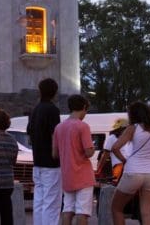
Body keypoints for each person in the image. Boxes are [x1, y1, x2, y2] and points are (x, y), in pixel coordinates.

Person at [110, 101, 150, 225]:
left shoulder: (133, 128)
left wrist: (124, 160)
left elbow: (115, 148)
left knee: (116, 208)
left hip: (133, 172)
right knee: (147, 213)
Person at [53, 95, 96, 225]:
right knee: (82, 212)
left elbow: (55, 154)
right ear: (84, 107)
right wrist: (93, 148)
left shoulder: (59, 127)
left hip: (67, 175)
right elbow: (89, 152)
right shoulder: (83, 126)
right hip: (83, 175)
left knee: (67, 209)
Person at [27, 78, 62, 225]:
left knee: (39, 201)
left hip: (37, 162)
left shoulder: (35, 109)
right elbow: (55, 134)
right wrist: (56, 153)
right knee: (51, 203)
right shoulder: (52, 110)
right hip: (51, 164)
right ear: (55, 92)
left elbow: (29, 135)